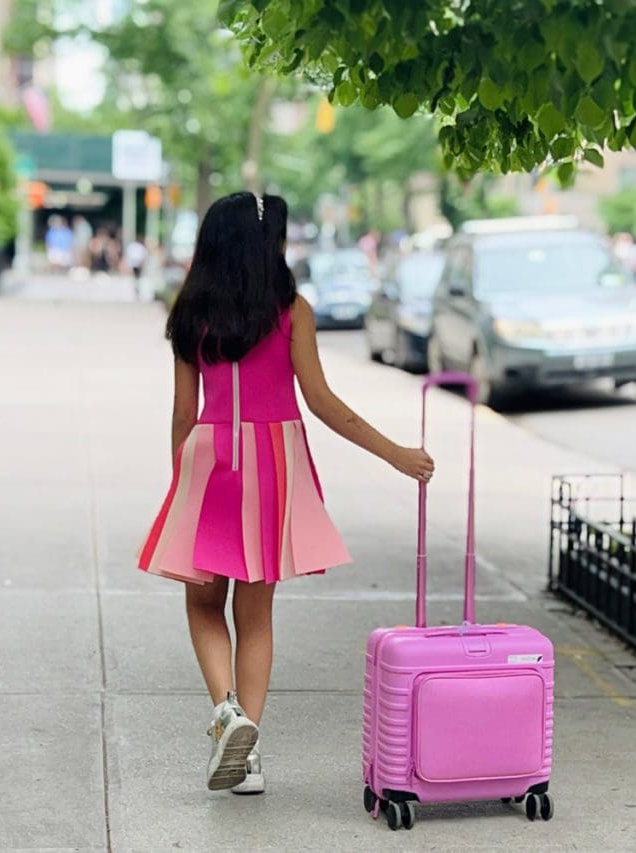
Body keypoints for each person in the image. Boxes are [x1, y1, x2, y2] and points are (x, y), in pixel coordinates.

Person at [137, 192, 434, 794]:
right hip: (274, 463)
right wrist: (397, 455)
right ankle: (247, 758)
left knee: (201, 606)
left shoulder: (191, 311)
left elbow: (181, 411)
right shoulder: (291, 310)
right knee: (257, 615)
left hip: (209, 460)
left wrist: (180, 482)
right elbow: (321, 403)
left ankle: (227, 716)